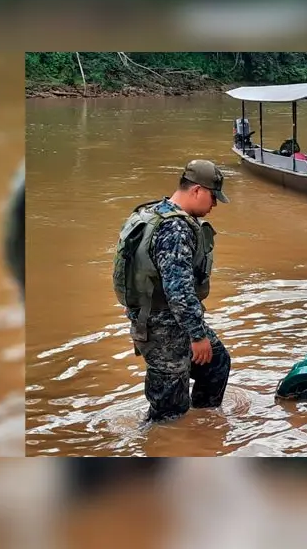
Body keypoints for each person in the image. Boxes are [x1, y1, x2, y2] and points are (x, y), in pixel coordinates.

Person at [112, 159, 232, 422]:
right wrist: (197, 335)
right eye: (213, 197)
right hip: (164, 327)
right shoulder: (174, 228)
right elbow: (179, 290)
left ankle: (205, 426)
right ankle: (155, 451)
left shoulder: (152, 212)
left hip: (160, 318)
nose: (214, 205)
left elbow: (135, 265)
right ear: (197, 190)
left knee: (216, 363)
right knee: (168, 414)